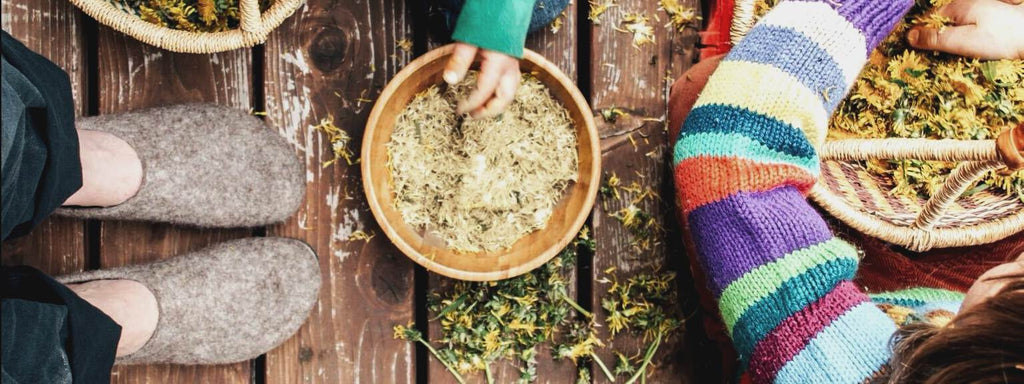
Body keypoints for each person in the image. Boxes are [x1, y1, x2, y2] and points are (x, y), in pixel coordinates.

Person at [667, 0, 1024, 382]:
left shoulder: (833, 366)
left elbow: (729, 161)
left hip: (821, 336)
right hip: (939, 307)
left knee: (701, 90)